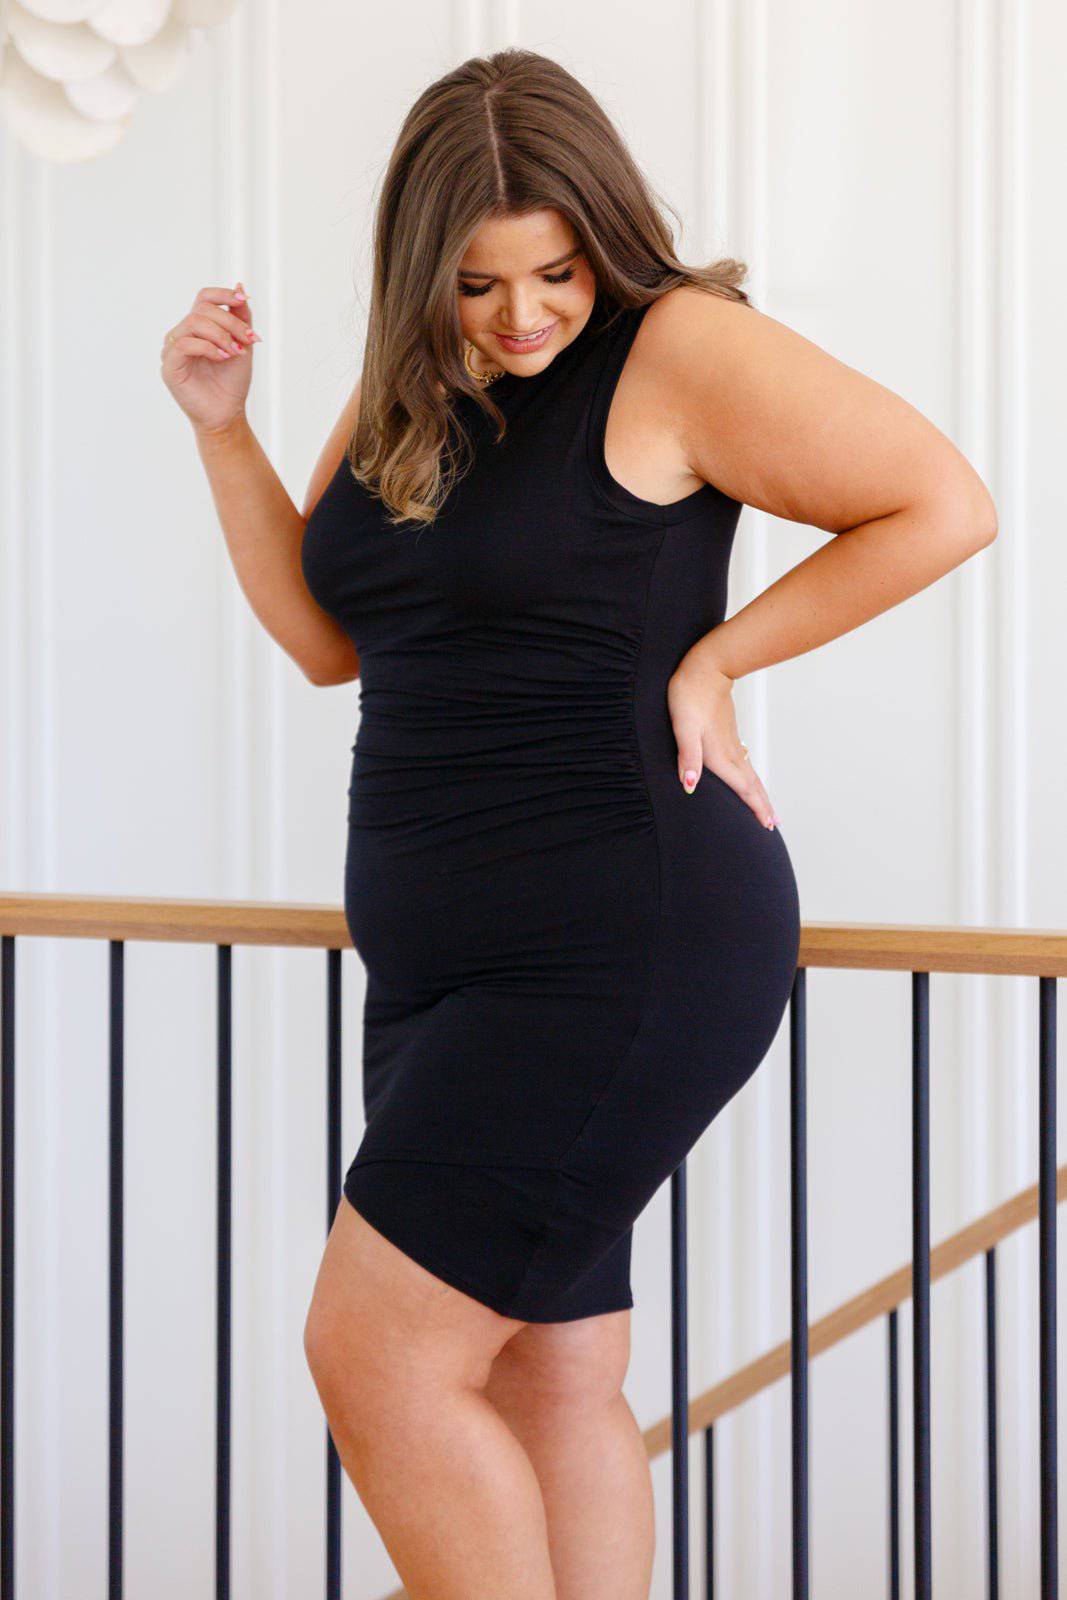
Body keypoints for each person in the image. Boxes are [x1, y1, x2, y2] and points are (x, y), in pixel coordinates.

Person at [160, 45, 997, 1600]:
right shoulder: (413, 376)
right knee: (544, 1372)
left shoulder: (678, 346)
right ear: (425, 269)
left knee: (378, 1357)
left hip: (622, 935)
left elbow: (942, 501)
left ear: (605, 235)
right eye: (478, 283)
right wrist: (223, 429)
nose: (522, 314)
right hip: (440, 968)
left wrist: (719, 658)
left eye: (557, 272)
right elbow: (331, 640)